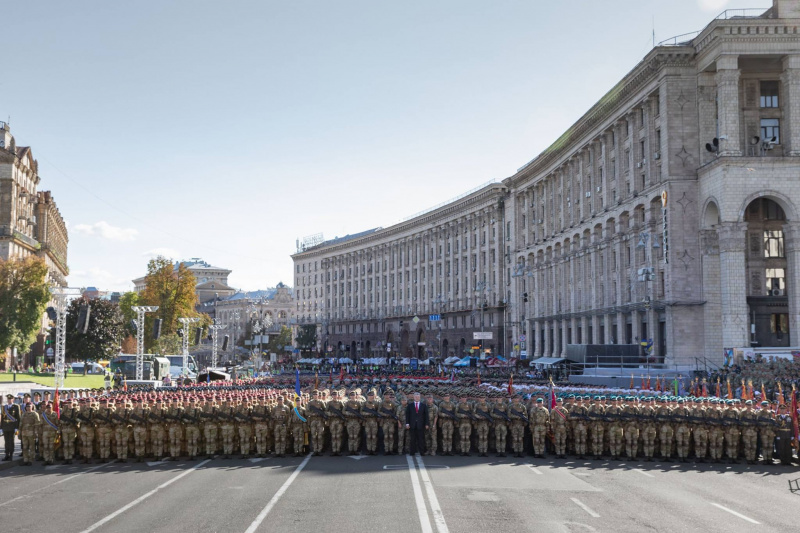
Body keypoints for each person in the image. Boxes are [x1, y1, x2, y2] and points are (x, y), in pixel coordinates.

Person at [2, 394, 21, 461]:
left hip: (12, 427)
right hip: (5, 427)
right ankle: (6, 454)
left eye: (10, 399)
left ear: (13, 399)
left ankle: (11, 455)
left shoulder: (16, 407)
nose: (9, 400)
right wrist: (1, 428)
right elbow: (2, 418)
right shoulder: (4, 407)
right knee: (6, 441)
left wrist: (17, 427)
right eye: (8, 399)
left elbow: (18, 417)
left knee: (11, 441)